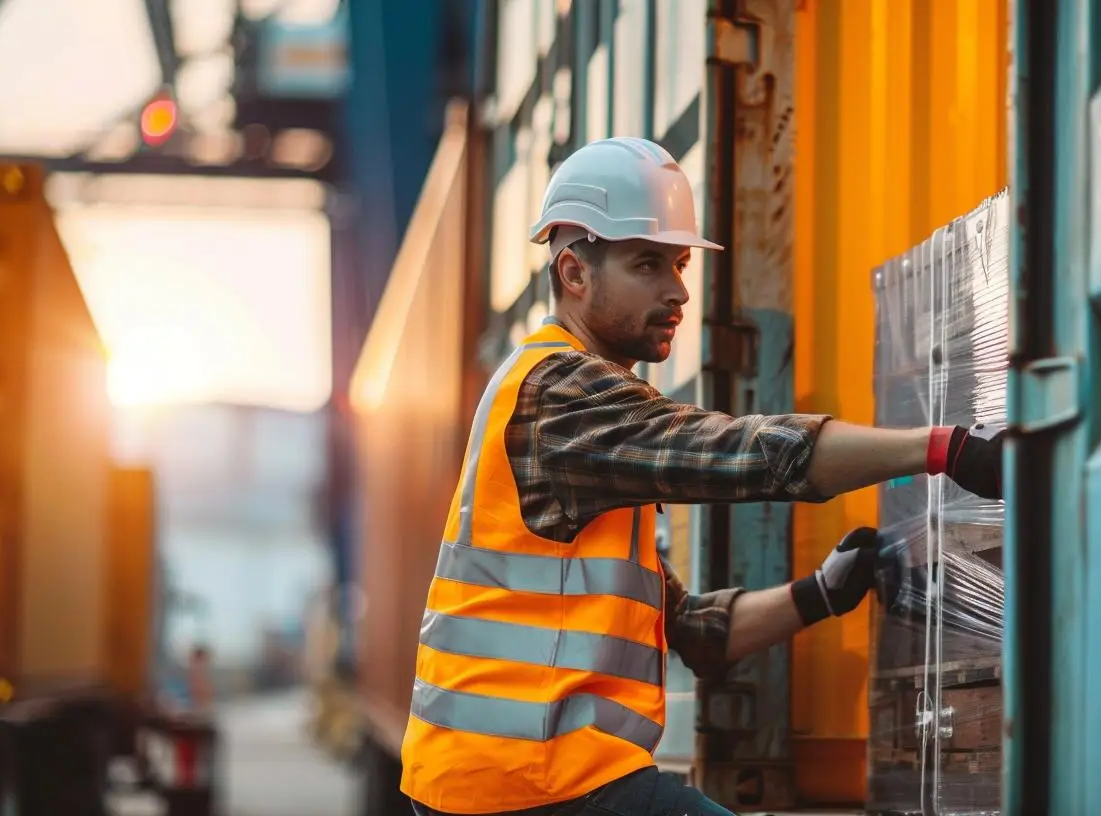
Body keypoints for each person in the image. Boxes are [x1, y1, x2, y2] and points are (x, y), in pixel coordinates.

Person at [400, 136, 1005, 816]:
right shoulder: (560, 394)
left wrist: (820, 596)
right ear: (574, 272)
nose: (678, 291)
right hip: (531, 784)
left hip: (511, 784)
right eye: (648, 264)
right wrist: (947, 449)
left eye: (680, 264)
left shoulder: (582, 423)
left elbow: (690, 631)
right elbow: (738, 452)